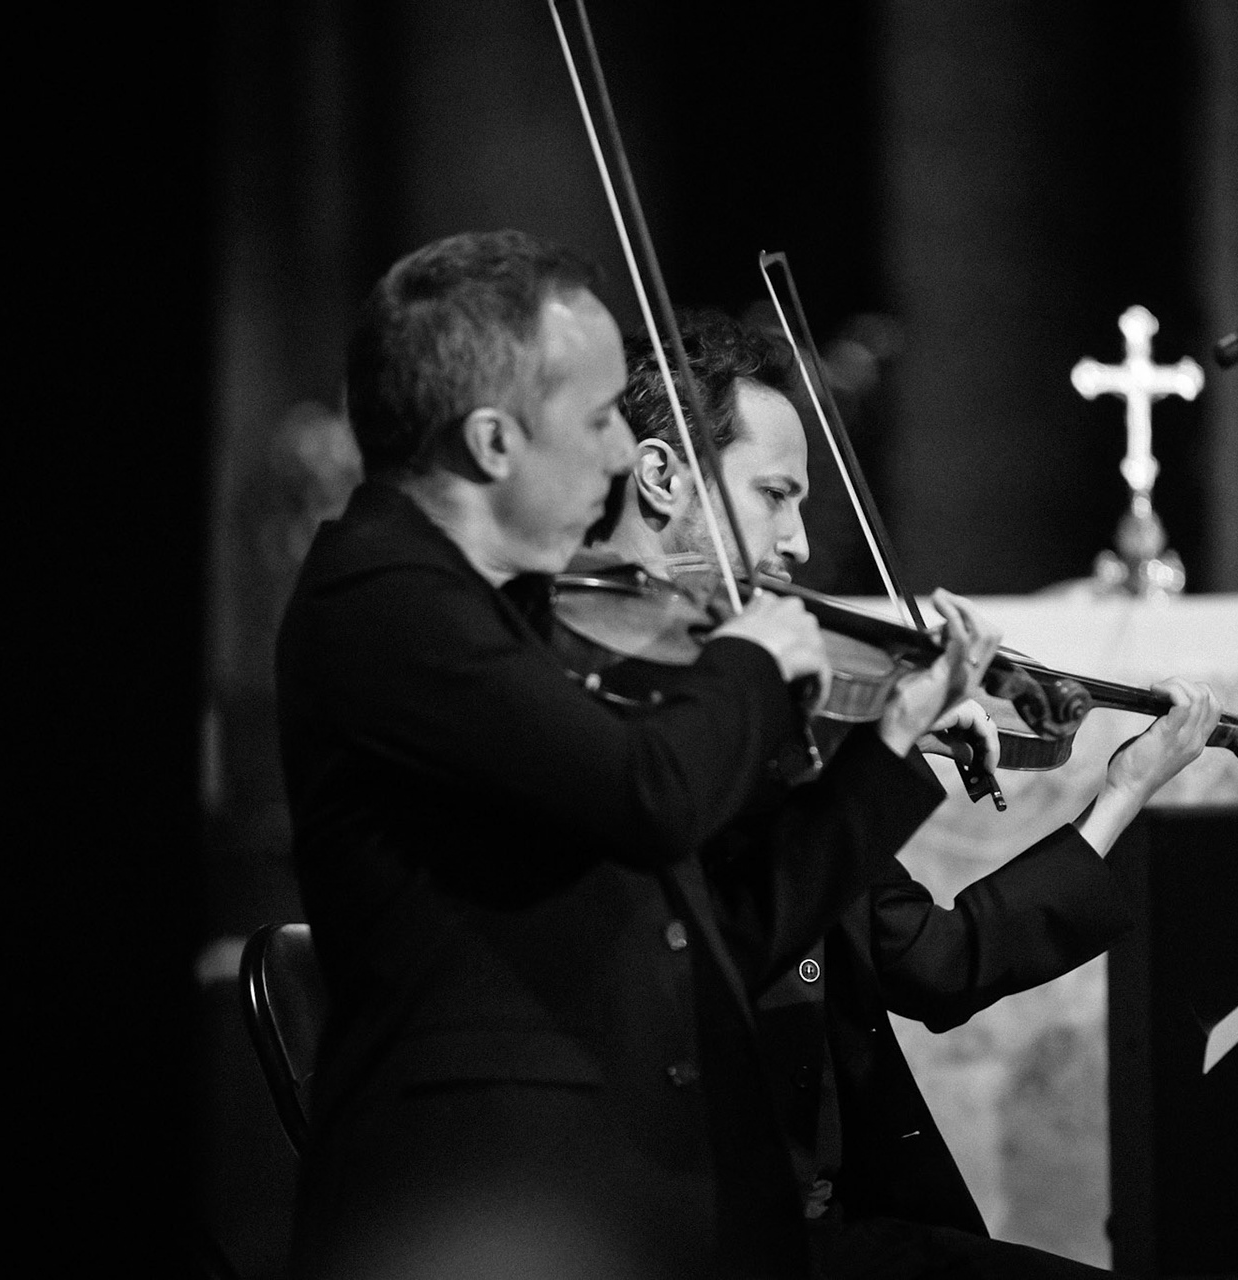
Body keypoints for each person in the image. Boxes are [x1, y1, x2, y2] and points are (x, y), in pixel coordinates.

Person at [274, 230, 994, 1280]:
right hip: (490, 1207)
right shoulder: (385, 601)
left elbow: (728, 929)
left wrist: (886, 744)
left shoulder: (500, 613)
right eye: (604, 416)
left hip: (626, 1199)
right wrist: (748, 664)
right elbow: (648, 793)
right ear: (492, 440)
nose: (625, 455)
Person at [597, 308, 1221, 1278]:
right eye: (774, 494)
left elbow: (933, 961)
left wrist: (1121, 789)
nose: (801, 543)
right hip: (707, 1231)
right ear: (662, 475)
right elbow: (717, 940)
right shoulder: (635, 706)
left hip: (830, 1223)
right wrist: (875, 746)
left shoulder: (770, 715)